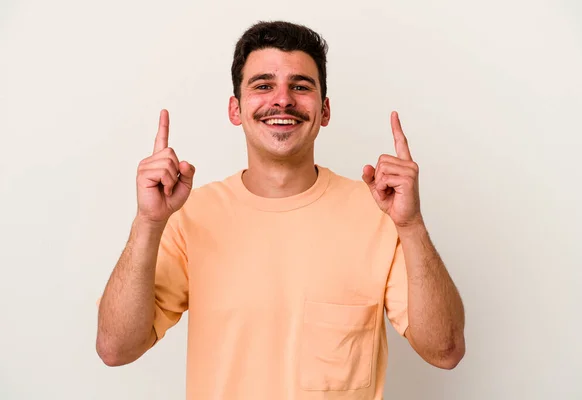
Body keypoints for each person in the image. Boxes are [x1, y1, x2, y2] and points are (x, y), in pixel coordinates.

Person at [96, 20, 465, 399]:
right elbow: (116, 348)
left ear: (324, 110)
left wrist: (412, 225)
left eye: (300, 86)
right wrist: (147, 222)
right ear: (235, 109)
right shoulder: (191, 215)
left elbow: (446, 351)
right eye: (263, 85)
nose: (283, 100)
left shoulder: (379, 214)